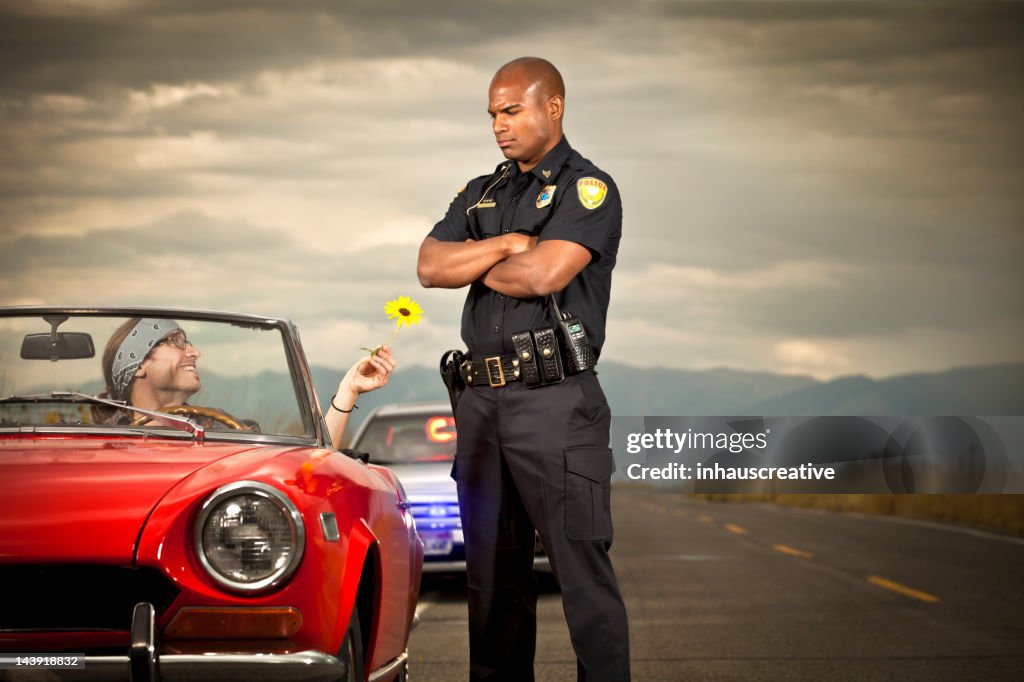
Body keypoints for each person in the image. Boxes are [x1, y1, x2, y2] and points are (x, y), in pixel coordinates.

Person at [417, 57, 630, 681]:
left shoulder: (588, 189)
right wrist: (510, 244)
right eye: (492, 115)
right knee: (491, 580)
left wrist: (475, 260)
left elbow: (544, 275)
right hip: (481, 407)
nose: (499, 127)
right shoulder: (481, 191)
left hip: (556, 403)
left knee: (581, 575)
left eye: (512, 111)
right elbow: (430, 266)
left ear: (553, 108)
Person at [98, 317, 395, 448]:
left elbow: (313, 460)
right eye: (176, 343)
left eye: (188, 342)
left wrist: (348, 389)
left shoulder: (226, 430)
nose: (194, 352)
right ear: (137, 367)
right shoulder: (99, 442)